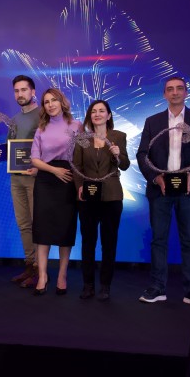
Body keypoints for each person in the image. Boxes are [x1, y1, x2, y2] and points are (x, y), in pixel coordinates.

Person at [137, 76, 190, 308]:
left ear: (186, 92)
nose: (174, 92)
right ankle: (157, 287)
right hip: (160, 189)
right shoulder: (152, 121)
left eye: (179, 88)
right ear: (164, 94)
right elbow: (142, 154)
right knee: (158, 240)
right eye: (170, 89)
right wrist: (156, 177)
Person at [73, 100, 130, 300]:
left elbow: (125, 165)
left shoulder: (118, 137)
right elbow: (76, 166)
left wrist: (117, 155)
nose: (97, 114)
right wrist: (79, 185)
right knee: (88, 241)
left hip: (112, 196)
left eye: (101, 111)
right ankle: (88, 285)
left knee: (109, 242)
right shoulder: (82, 138)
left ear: (109, 115)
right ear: (90, 116)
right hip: (88, 197)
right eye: (94, 111)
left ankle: (105, 286)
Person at [0, 75, 40, 288]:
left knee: (37, 224)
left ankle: (40, 269)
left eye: (24, 90)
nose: (20, 94)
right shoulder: (15, 119)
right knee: (23, 224)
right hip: (16, 178)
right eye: (17, 91)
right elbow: (11, 149)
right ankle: (30, 265)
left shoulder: (43, 116)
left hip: (36, 178)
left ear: (33, 92)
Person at [30, 88, 82, 296]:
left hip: (68, 180)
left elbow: (83, 154)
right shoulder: (41, 128)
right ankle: (42, 276)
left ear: (62, 102)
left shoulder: (76, 125)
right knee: (42, 230)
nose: (50, 104)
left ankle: (62, 275)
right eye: (46, 102)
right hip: (45, 179)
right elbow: (35, 159)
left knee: (64, 230)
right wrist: (53, 170)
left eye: (54, 100)